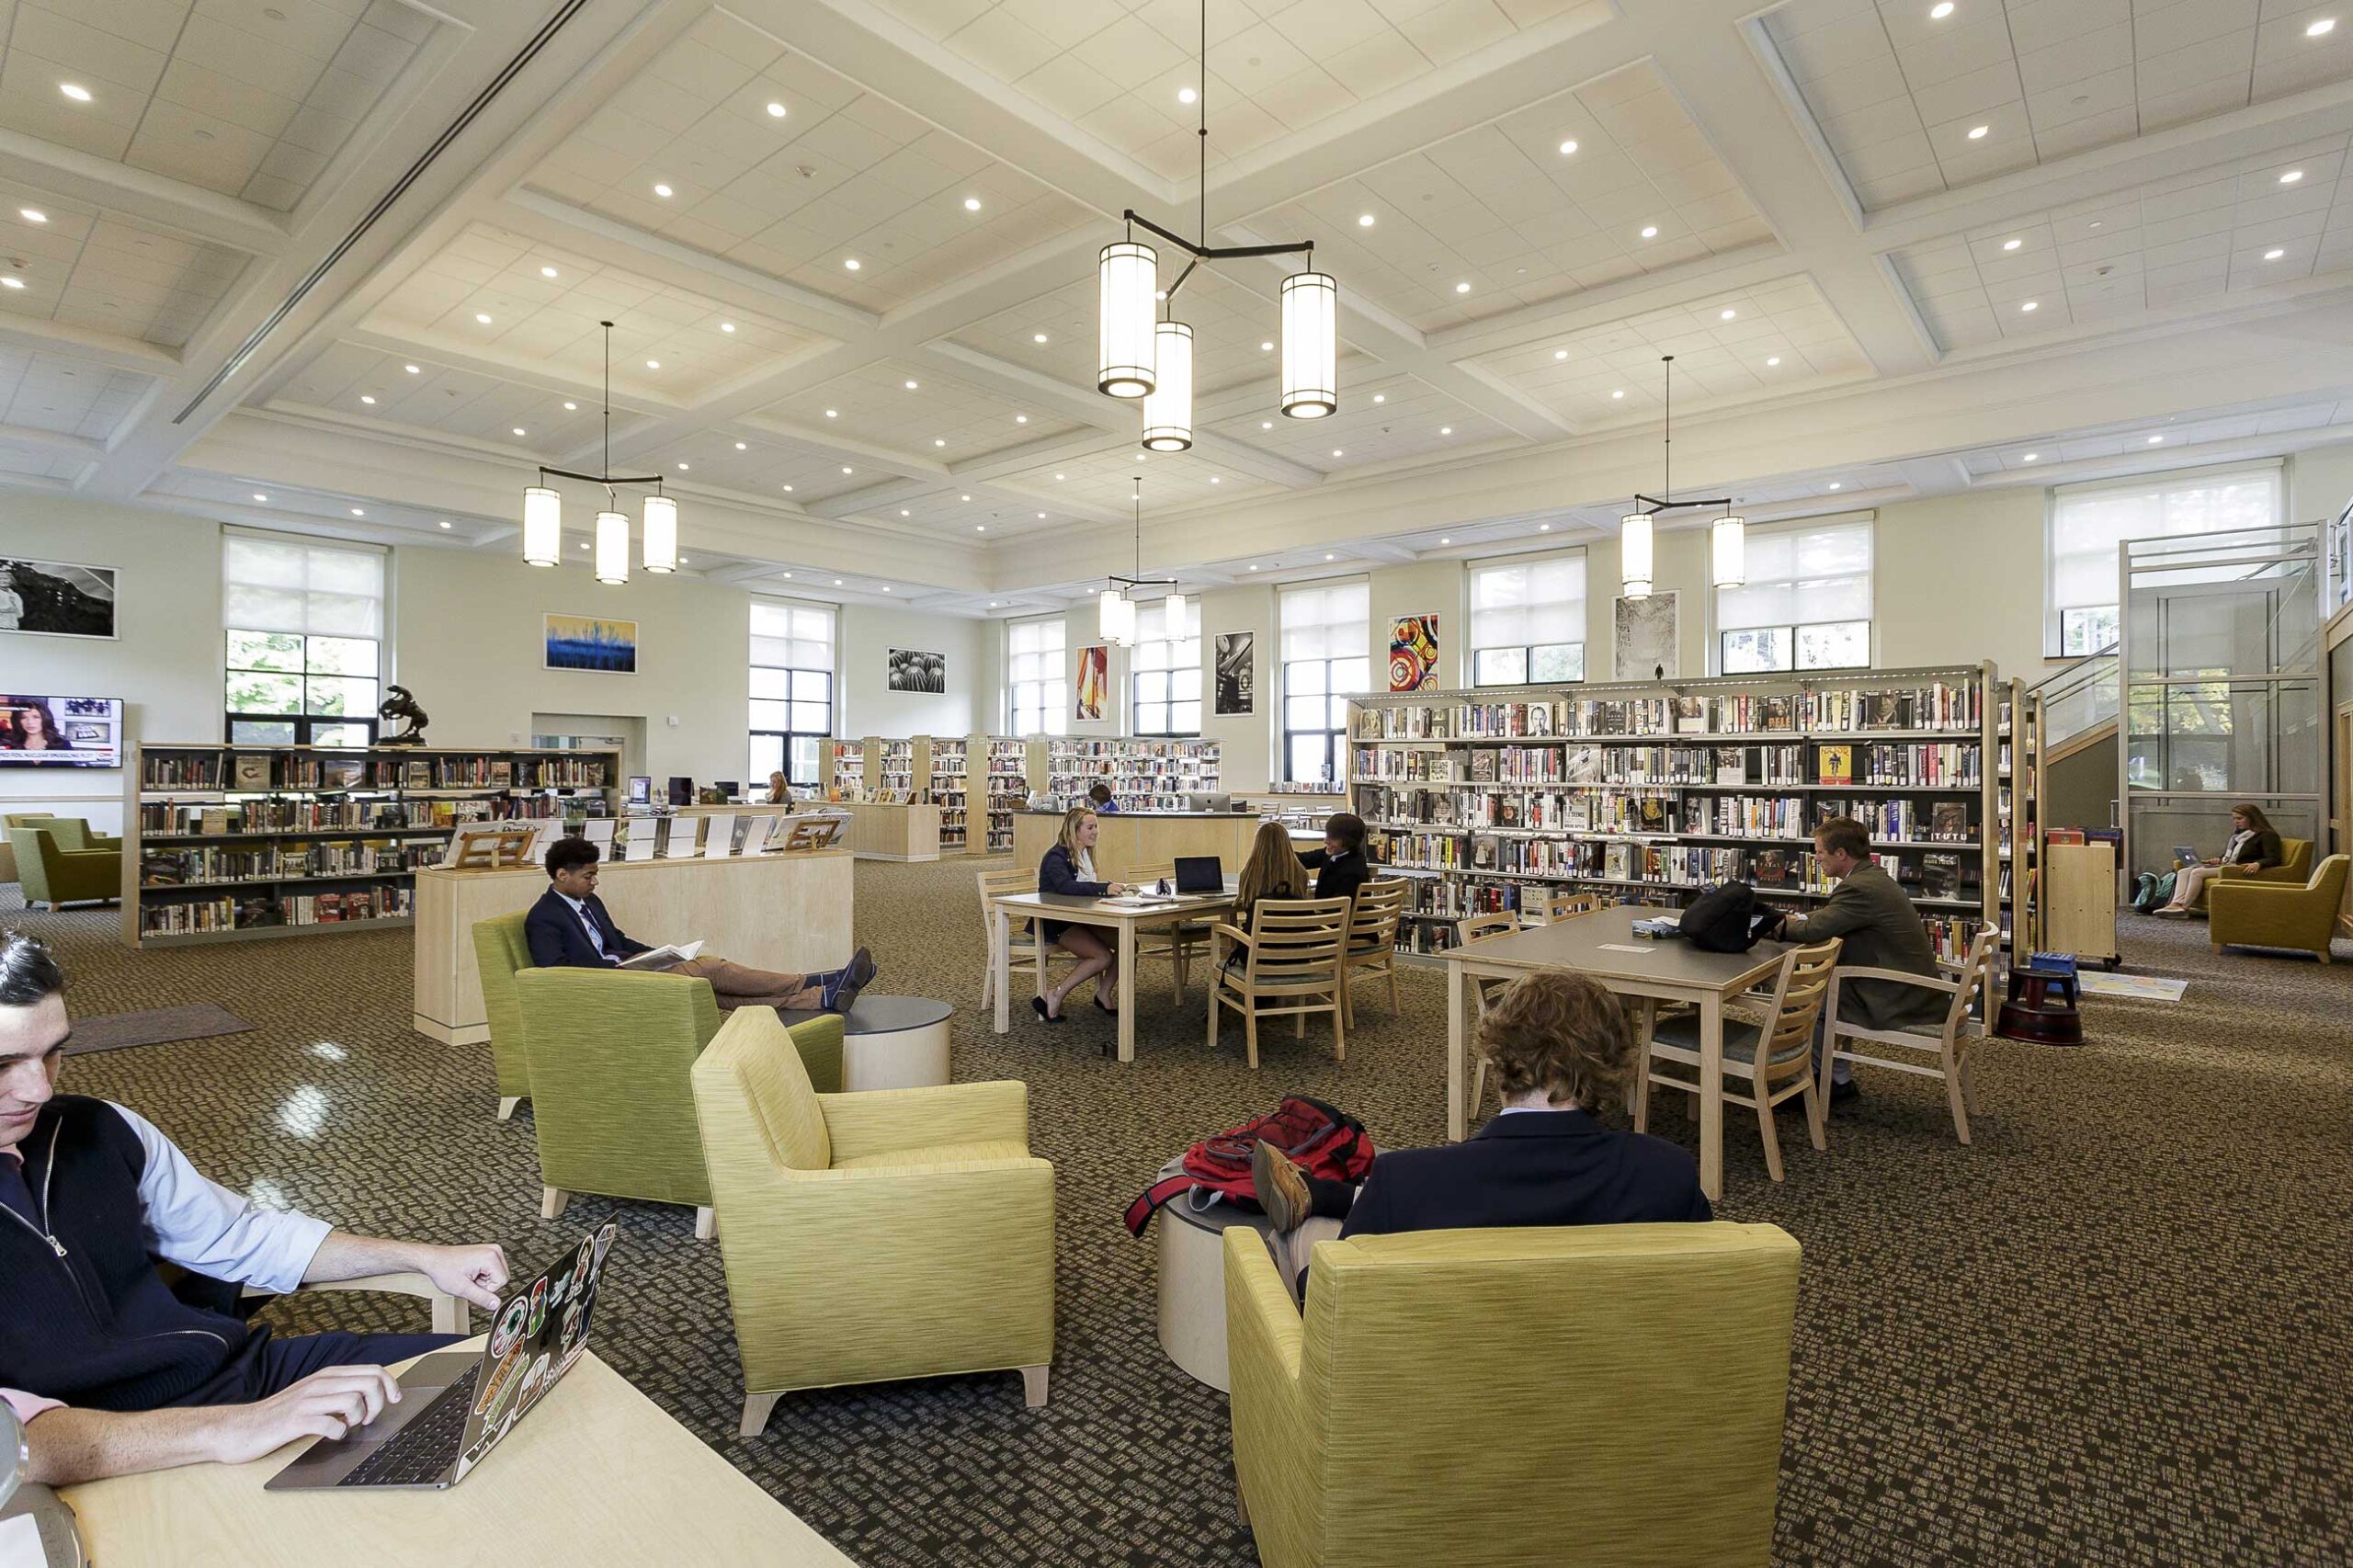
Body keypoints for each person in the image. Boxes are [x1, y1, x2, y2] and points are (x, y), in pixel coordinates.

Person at [0, 931, 511, 1485]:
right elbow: (16, 1444)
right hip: (108, 1450)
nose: (39, 1090)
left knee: (497, 1376)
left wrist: (421, 1258)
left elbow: (238, 1238)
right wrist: (234, 1428)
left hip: (236, 1375)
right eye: (3, 1064)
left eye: (53, 1052)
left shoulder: (101, 1127)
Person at [1253, 969, 1710, 1305]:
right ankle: (1326, 1195)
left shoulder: (1407, 1180)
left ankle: (1317, 1206)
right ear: (1614, 1067)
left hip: (1437, 1391)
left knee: (1306, 1235)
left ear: (1498, 1055)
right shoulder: (1667, 1173)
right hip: (1605, 1389)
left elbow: (1336, 1305)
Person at [526, 836, 872, 1012]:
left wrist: (658, 955)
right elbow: (553, 974)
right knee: (710, 968)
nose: (594, 882)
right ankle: (815, 981)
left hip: (630, 971)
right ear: (561, 875)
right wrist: (620, 972)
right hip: (608, 986)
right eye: (588, 876)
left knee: (710, 984)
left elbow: (616, 939)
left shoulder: (589, 901)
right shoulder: (544, 917)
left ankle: (820, 996)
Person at [1762, 816, 1943, 1104]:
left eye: (1820, 851)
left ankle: (1820, 1080)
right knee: (1821, 993)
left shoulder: (1858, 888)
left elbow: (1813, 931)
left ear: (1841, 854)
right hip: (1906, 984)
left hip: (1897, 994)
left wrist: (1767, 926)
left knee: (1801, 999)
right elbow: (1827, 919)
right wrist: (1792, 918)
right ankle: (1837, 1078)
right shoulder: (1871, 877)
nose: (1816, 857)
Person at [1033, 807, 1134, 1023]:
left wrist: (1106, 889)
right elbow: (1065, 886)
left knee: (1128, 943)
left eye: (1096, 826)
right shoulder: (1055, 857)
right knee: (1102, 956)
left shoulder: (1084, 854)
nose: (1096, 831)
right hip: (1058, 921)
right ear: (1074, 830)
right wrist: (1101, 889)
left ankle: (1103, 993)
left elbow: (1083, 887)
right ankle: (1056, 994)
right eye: (1090, 827)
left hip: (1084, 918)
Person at [2151, 803, 2283, 916]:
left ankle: (2184, 907)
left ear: (2252, 819)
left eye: (2240, 818)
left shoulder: (2267, 835)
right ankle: (2176, 903)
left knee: (2197, 873)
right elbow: (2232, 855)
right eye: (2234, 819)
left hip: (2240, 868)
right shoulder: (2239, 836)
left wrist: (2258, 863)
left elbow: (2274, 858)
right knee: (2184, 871)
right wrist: (2219, 859)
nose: (2236, 822)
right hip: (2228, 865)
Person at [1224, 820, 1311, 972]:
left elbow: (1246, 906)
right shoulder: (1301, 874)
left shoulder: (1250, 874)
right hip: (1297, 951)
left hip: (1258, 954)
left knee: (1227, 931)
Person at [1295, 812, 1370, 905]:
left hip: (1338, 918)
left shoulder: (1352, 872)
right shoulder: (1337, 854)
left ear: (1348, 841)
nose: (1326, 841)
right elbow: (1304, 859)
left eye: (1333, 838)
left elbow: (1335, 907)